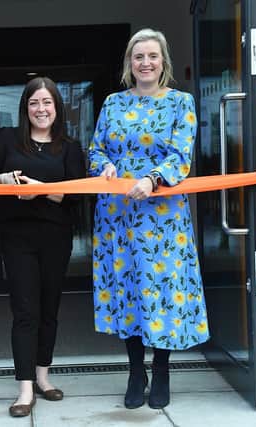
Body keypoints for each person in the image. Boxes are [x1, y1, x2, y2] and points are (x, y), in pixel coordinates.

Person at [88, 28, 210, 410]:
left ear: (163, 62)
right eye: (138, 56)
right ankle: (134, 371)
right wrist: (105, 165)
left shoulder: (181, 102)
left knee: (161, 291)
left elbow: (181, 155)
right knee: (127, 289)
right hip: (118, 214)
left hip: (162, 216)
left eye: (152, 56)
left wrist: (152, 179)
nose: (145, 63)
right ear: (130, 63)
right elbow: (95, 149)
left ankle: (161, 370)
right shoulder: (112, 103)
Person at [0, 77, 86, 417]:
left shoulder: (70, 147)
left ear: (57, 107)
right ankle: (25, 388)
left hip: (56, 238)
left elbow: (76, 195)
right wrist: (6, 181)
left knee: (49, 310)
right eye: (34, 103)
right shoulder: (7, 138)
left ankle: (43, 376)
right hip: (17, 237)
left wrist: (40, 189)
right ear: (24, 108)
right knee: (25, 311)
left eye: (47, 102)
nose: (41, 109)